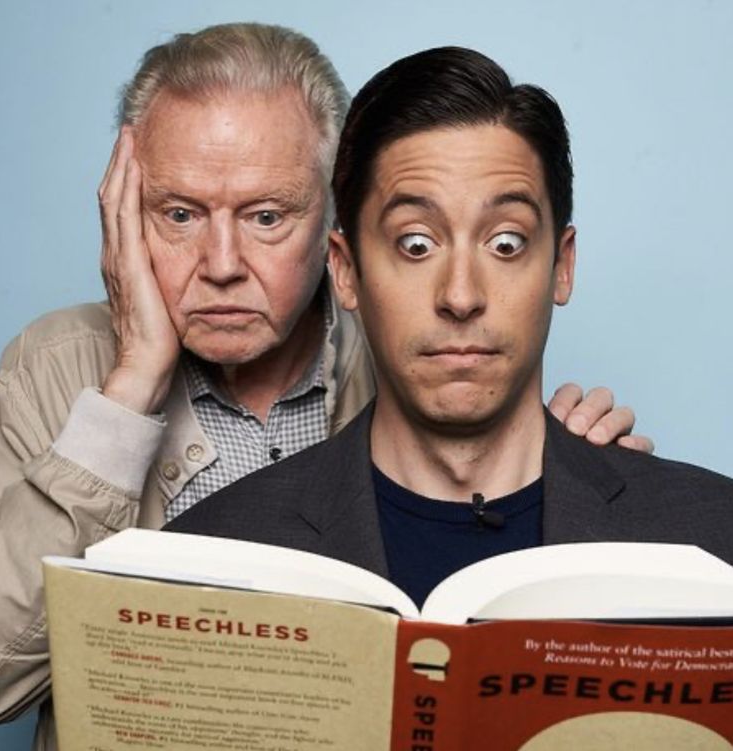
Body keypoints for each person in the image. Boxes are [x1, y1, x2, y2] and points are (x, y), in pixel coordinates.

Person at [0, 24, 647, 749]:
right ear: (123, 213)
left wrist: (579, 484)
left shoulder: (421, 355)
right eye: (178, 214)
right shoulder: (52, 368)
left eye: (266, 216)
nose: (220, 264)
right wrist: (129, 392)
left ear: (333, 230)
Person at [167, 46, 733, 609]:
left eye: (505, 243)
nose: (461, 296)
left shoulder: (713, 538)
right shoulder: (205, 556)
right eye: (416, 245)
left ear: (562, 267)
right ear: (345, 271)